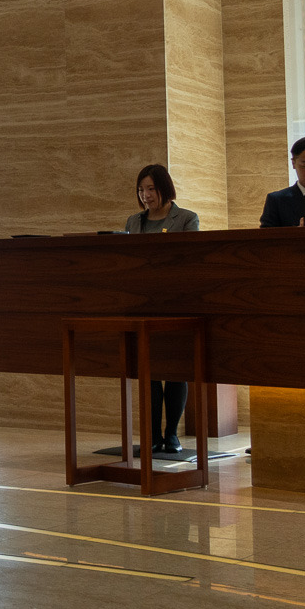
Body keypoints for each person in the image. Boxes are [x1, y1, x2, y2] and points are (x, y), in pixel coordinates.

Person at [124, 164, 197, 454]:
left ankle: (172, 435)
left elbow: (190, 259)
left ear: (164, 188)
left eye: (151, 189)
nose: (146, 195)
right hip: (143, 303)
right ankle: (153, 435)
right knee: (149, 371)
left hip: (176, 303)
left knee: (175, 370)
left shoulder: (187, 218)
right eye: (141, 190)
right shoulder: (133, 221)